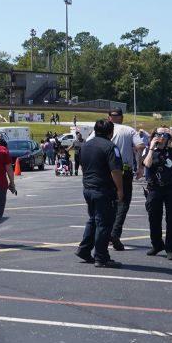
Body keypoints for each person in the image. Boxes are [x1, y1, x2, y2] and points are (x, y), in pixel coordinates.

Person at [75, 119, 123, 268]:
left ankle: (84, 250)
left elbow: (82, 166)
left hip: (88, 187)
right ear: (111, 132)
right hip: (103, 189)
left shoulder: (85, 146)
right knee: (104, 223)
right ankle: (101, 257)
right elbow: (115, 170)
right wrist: (120, 189)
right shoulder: (110, 147)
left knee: (93, 219)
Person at [142, 128, 172, 259]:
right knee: (154, 217)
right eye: (158, 134)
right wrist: (151, 147)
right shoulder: (149, 150)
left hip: (171, 188)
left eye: (164, 134)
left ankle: (171, 249)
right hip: (155, 188)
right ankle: (157, 245)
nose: (161, 136)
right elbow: (147, 164)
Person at [106, 108, 145, 251]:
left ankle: (106, 233)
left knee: (108, 203)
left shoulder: (102, 129)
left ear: (109, 117)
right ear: (122, 118)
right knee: (123, 203)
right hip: (123, 170)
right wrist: (139, 164)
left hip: (106, 171)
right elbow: (140, 146)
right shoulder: (128, 130)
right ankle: (115, 233)